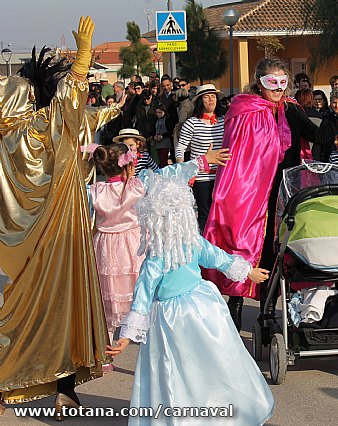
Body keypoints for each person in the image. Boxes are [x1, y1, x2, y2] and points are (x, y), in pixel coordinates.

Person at [0, 16, 119, 414]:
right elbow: (69, 100)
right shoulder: (40, 127)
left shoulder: (13, 135)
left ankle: (37, 388)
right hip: (56, 240)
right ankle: (56, 387)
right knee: (63, 308)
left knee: (28, 313)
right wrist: (84, 55)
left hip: (28, 250)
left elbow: (71, 105)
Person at [106, 162, 274, 425]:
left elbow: (143, 295)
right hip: (202, 307)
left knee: (178, 367)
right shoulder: (193, 242)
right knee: (212, 360)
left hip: (171, 319)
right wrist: (249, 271)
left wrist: (127, 336)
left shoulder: (156, 256)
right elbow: (219, 258)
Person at [202, 58, 318, 331]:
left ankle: (267, 310)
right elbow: (237, 155)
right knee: (246, 243)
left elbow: (318, 135)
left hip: (286, 190)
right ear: (259, 83)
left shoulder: (292, 110)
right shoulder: (244, 109)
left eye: (282, 82)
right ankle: (237, 301)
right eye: (271, 82)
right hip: (251, 190)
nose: (278, 88)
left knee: (278, 249)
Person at [89, 143, 145, 369]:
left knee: (107, 296)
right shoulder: (136, 187)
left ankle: (105, 356)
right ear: (129, 165)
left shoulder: (95, 190)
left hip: (105, 244)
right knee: (139, 293)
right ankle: (146, 351)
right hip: (131, 243)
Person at [176, 84, 230, 231]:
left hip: (223, 176)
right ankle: (205, 246)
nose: (211, 99)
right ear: (200, 101)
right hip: (201, 177)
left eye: (213, 96)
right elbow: (180, 148)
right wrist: (183, 171)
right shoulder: (191, 123)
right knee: (205, 215)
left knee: (223, 215)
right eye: (207, 97)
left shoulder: (226, 121)